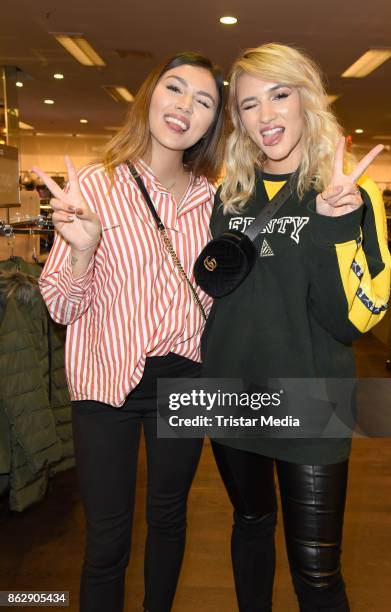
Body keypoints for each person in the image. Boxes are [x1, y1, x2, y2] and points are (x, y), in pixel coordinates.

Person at [200, 43, 391, 612]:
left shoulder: (350, 193)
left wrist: (338, 227)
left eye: (280, 95)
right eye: (249, 104)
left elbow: (352, 320)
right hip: (231, 395)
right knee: (250, 527)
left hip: (312, 402)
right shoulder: (228, 196)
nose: (266, 116)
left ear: (307, 99)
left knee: (317, 575)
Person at [35, 51, 225, 612]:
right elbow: (61, 309)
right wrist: (84, 249)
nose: (185, 106)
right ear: (149, 96)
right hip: (106, 382)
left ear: (212, 122)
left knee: (170, 520)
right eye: (175, 88)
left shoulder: (214, 201)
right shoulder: (95, 185)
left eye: (204, 101)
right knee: (107, 540)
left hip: (185, 378)